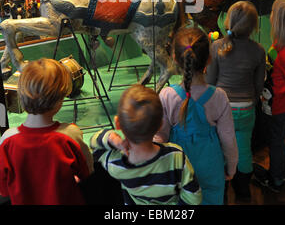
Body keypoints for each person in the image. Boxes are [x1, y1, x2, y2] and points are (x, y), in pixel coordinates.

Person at [154, 27, 238, 205]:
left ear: (175, 59)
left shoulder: (167, 95)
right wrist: (231, 167)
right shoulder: (219, 96)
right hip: (211, 168)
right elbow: (228, 139)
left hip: (178, 170)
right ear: (209, 59)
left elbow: (160, 136)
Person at [0, 58, 94, 205]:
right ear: (59, 101)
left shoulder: (7, 139)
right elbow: (87, 173)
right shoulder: (71, 135)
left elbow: (4, 189)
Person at [90, 83, 202, 205]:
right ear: (160, 125)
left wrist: (112, 138)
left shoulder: (114, 161)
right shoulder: (175, 156)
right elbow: (194, 197)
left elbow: (94, 143)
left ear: (118, 124)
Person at [205, 1, 266, 200]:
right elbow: (258, 86)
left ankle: (222, 188)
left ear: (228, 22)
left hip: (222, 109)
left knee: (221, 148)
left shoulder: (217, 47)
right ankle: (243, 190)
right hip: (246, 108)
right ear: (254, 26)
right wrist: (252, 103)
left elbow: (211, 82)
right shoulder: (258, 50)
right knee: (244, 148)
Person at [253, 0, 285, 193]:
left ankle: (276, 179)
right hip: (276, 105)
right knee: (277, 140)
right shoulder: (284, 50)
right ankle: (284, 170)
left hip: (279, 109)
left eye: (272, 12)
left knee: (276, 141)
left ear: (278, 22)